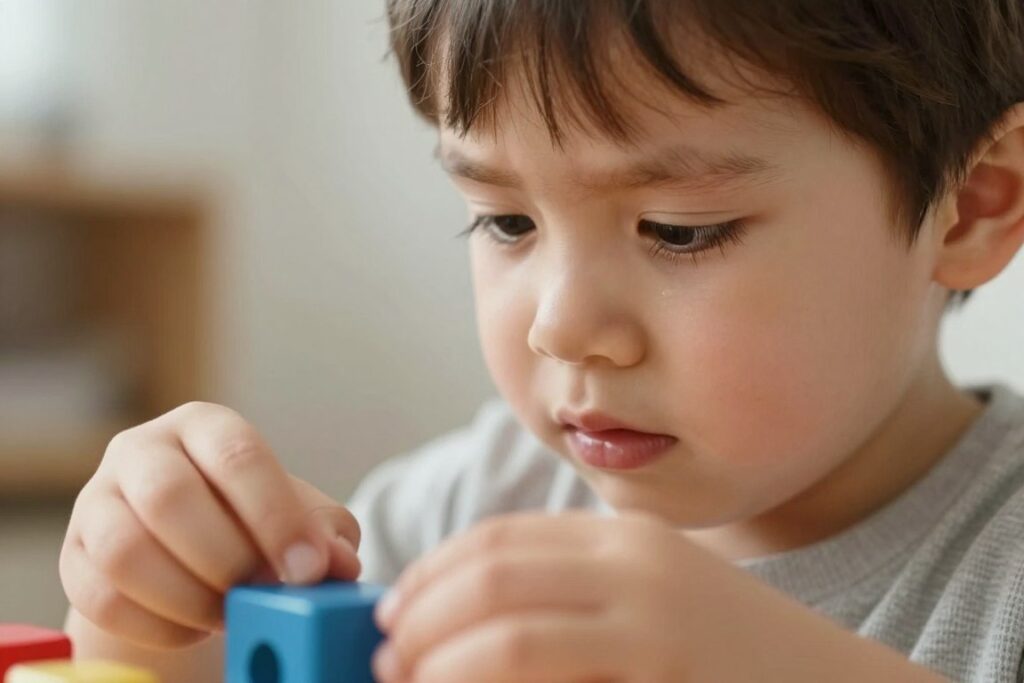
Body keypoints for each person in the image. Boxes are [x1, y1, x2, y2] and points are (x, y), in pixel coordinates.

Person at [60, 1, 1024, 681]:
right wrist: (152, 620)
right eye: (505, 221)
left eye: (678, 230)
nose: (559, 325)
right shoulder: (466, 514)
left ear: (973, 206)